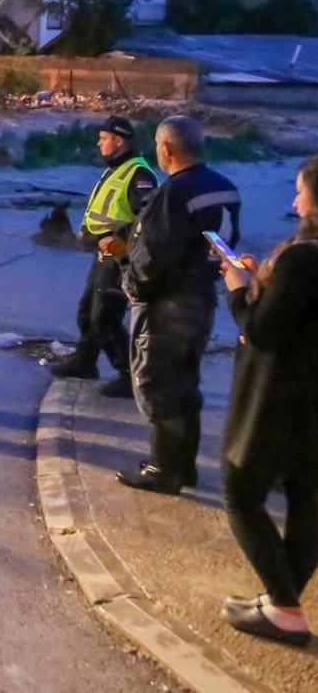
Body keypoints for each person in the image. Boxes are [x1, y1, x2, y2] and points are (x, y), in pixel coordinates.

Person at [215, 157, 318, 647]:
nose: (295, 201)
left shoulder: (303, 258)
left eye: (300, 192)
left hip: (279, 399)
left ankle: (284, 604)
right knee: (308, 500)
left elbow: (263, 330)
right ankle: (283, 603)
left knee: (241, 491)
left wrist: (239, 288)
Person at [111, 115, 240, 495]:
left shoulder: (173, 193)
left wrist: (131, 284)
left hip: (168, 304)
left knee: (157, 382)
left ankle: (165, 470)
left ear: (165, 149)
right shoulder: (224, 187)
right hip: (202, 296)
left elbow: (153, 255)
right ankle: (182, 466)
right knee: (185, 382)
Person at [49, 116, 158, 397]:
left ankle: (129, 374)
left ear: (119, 140)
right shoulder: (116, 169)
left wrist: (118, 238)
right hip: (103, 252)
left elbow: (147, 217)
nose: (99, 142)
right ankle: (85, 361)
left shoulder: (139, 174)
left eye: (104, 137)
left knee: (105, 317)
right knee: (88, 311)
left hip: (120, 256)